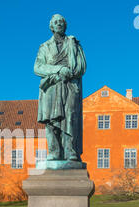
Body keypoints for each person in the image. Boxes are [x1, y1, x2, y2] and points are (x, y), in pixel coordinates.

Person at [34, 14, 87, 167]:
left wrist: (69, 72)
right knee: (51, 120)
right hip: (50, 87)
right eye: (55, 22)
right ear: (51, 26)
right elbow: (37, 68)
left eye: (61, 22)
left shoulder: (74, 44)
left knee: (70, 117)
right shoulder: (44, 47)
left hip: (70, 85)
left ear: (65, 25)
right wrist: (59, 69)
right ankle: (54, 151)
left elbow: (81, 66)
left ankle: (70, 151)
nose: (58, 24)